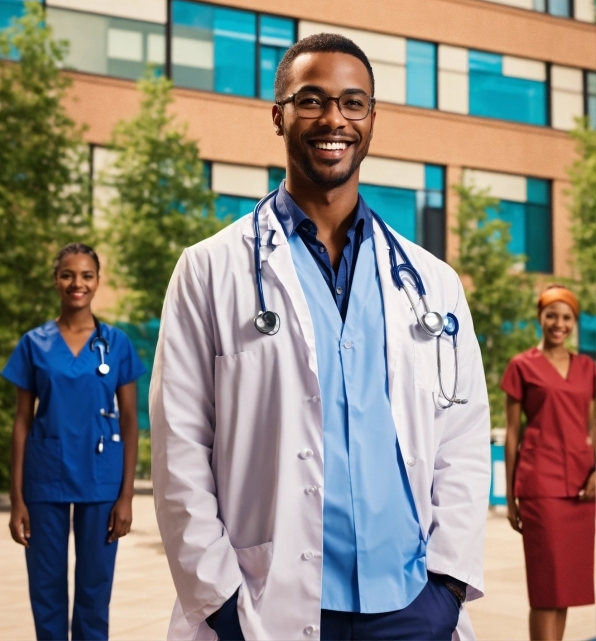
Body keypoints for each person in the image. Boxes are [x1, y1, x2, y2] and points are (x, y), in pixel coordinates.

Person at [150, 33, 491, 641]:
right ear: (278, 115)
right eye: (311, 100)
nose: (332, 118)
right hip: (267, 605)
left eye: (352, 103)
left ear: (371, 121)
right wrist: (222, 603)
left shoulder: (432, 283)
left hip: (412, 606)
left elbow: (461, 444)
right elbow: (179, 447)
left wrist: (447, 588)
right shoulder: (209, 269)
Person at [3, 242, 146, 641]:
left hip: (102, 480)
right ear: (56, 280)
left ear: (98, 282)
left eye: (86, 275)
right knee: (45, 589)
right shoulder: (34, 343)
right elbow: (21, 422)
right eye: (68, 274)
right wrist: (17, 500)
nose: (76, 283)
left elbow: (132, 420)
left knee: (94, 590)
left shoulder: (116, 344)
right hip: (44, 478)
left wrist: (126, 496)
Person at [501, 284, 596, 641]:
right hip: (541, 485)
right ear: (539, 318)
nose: (559, 323)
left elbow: (592, 425)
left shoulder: (587, 368)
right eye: (551, 315)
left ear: (574, 321)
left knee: (565, 590)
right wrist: (510, 498)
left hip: (583, 489)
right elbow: (512, 435)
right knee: (546, 591)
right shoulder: (522, 366)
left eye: (567, 316)